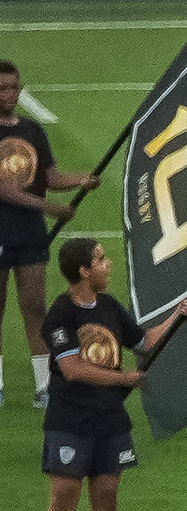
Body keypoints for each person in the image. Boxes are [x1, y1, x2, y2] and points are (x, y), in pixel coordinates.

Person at [38, 237, 175, 511]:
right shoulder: (60, 316)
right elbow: (73, 368)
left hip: (110, 421)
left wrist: (179, 315)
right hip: (70, 420)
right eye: (100, 260)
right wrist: (124, 379)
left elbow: (143, 341)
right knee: (64, 497)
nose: (108, 265)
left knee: (107, 499)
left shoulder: (111, 306)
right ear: (84, 271)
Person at [0, 62, 103, 409]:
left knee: (35, 307)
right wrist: (52, 209)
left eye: (14, 88)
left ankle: (44, 385)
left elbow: (50, 176)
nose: (9, 95)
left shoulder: (32, 131)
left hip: (29, 233)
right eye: (3, 89)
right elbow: (5, 190)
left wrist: (80, 180)